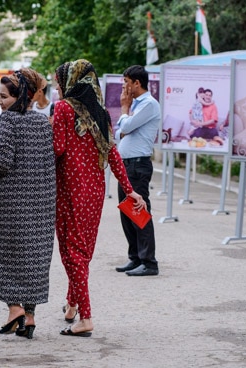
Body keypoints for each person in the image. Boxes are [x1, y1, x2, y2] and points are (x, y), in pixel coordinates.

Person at [53, 59, 146, 337]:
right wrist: (129, 188)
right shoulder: (100, 113)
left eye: (59, 81)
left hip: (69, 190)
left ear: (71, 82)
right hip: (93, 192)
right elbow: (113, 154)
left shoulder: (63, 110)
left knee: (72, 253)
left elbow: (57, 149)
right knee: (82, 251)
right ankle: (71, 304)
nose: (58, 87)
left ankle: (86, 317)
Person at [0, 68, 55, 340]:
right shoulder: (41, 121)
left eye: (4, 96)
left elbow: (2, 160)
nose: (0, 102)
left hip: (11, 203)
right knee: (34, 257)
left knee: (3, 253)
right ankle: (30, 317)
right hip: (41, 203)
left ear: (19, 95)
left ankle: (14, 309)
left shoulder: (8, 120)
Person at [114, 65, 160, 277]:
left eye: (126, 82)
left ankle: (149, 262)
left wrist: (124, 111)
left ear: (137, 83)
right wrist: (125, 120)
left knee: (139, 211)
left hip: (138, 165)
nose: (124, 87)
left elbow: (125, 128)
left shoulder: (149, 104)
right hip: (126, 165)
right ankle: (135, 257)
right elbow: (118, 134)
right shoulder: (136, 105)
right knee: (126, 212)